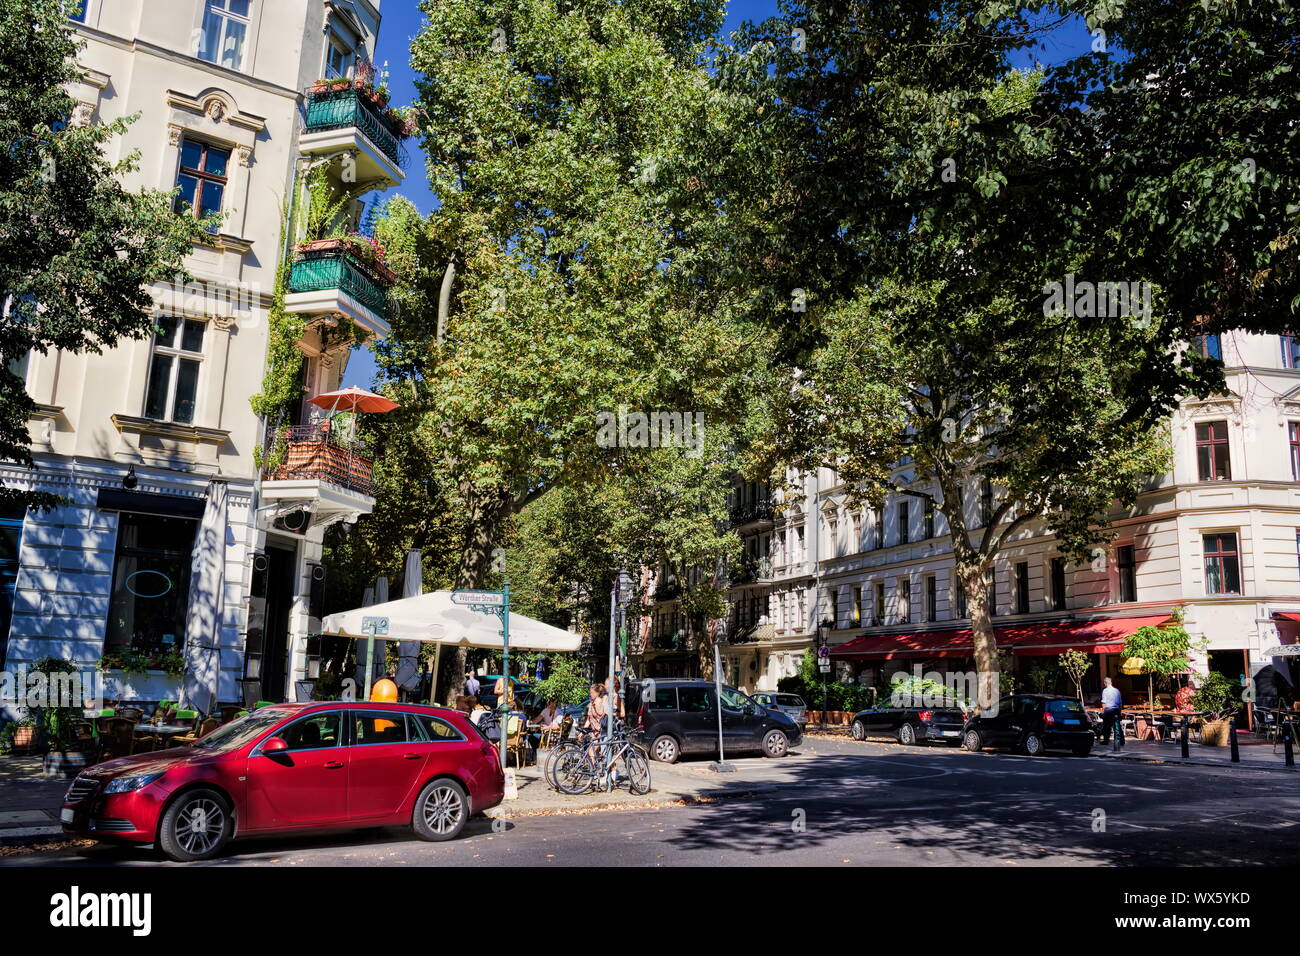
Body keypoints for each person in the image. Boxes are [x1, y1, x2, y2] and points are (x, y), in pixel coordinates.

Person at [1100, 676, 1124, 750]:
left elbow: (1104, 702)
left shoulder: (1105, 691)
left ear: (1105, 683)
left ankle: (1106, 741)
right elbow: (1120, 703)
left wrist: (1103, 712)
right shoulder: (1117, 690)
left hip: (1108, 710)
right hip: (1116, 710)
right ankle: (1121, 741)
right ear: (1111, 682)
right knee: (1117, 726)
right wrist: (1120, 712)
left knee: (1106, 726)